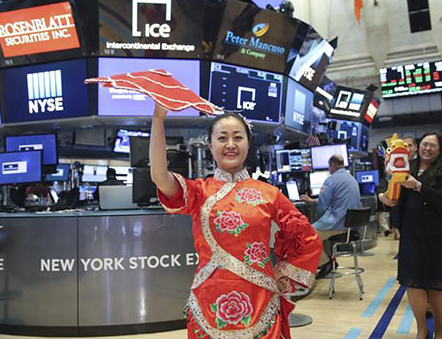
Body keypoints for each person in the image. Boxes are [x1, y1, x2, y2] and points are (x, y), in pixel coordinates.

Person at [150, 106, 322, 339]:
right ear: (210, 146)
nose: (230, 144)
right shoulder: (199, 191)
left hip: (260, 300)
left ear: (248, 145)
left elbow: (307, 236)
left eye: (238, 137)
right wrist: (158, 119)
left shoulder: (269, 193)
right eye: (222, 138)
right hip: (208, 302)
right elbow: (160, 178)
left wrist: (280, 276)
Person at [379, 132, 442, 339]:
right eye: (424, 144)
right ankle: (421, 329)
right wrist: (384, 196)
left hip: (439, 236)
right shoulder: (405, 167)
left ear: (439, 150)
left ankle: (440, 329)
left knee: (437, 285)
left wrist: (418, 186)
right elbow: (387, 189)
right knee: (414, 284)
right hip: (411, 235)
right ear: (418, 147)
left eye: (433, 146)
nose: (427, 149)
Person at [300, 155, 360, 278]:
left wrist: (322, 218)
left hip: (337, 223)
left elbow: (323, 204)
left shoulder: (331, 180)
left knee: (306, 236)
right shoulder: (352, 179)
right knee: (318, 235)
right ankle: (327, 261)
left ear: (332, 165)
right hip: (350, 225)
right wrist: (313, 201)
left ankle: (326, 262)